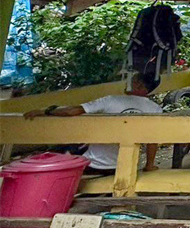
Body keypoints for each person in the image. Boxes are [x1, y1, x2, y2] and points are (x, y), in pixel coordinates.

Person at [23, 73, 163, 173]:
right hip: (128, 167)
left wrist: (46, 111)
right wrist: (149, 166)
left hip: (95, 165)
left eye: (131, 80)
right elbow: (152, 141)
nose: (127, 82)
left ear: (138, 84)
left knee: (58, 153)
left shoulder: (110, 100)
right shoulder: (155, 109)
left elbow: (72, 112)